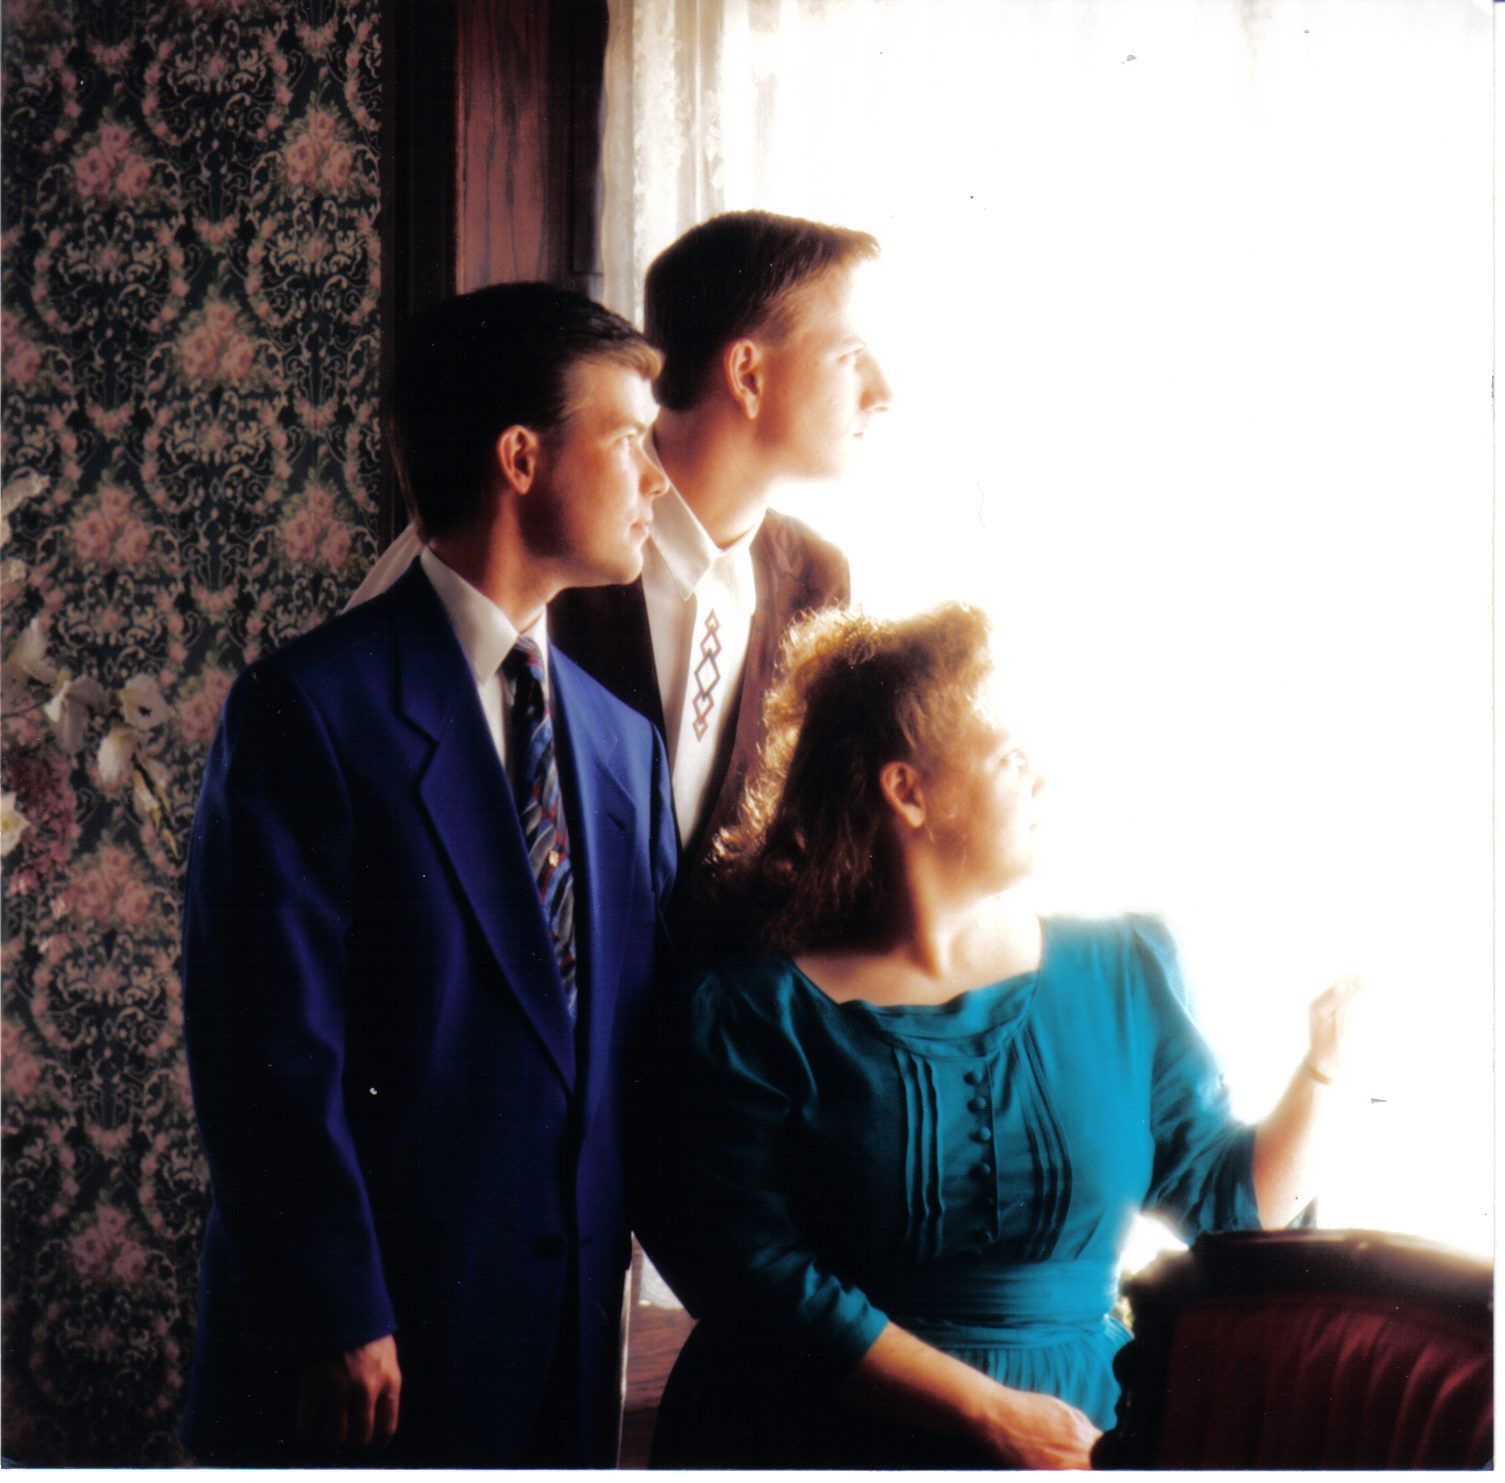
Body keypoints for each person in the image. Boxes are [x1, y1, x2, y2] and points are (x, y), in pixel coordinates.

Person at [639, 603, 1362, 1470]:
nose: (1043, 780)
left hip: (1077, 1441)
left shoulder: (1124, 967)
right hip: (817, 1437)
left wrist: (1322, 1071)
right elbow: (752, 1280)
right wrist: (988, 1413)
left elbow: (1232, 1209)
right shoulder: (745, 1015)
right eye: (1010, 757)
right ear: (907, 790)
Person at [180, 283, 676, 1467]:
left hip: (560, 1348)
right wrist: (336, 1306)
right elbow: (265, 1049)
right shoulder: (309, 708)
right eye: (630, 440)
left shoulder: (620, 744)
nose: (658, 479)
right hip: (365, 1354)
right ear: (518, 456)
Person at [350, 212, 892, 956]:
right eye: (850, 356)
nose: (881, 391)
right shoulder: (534, 527)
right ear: (746, 373)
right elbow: (361, 758)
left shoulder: (818, 579)